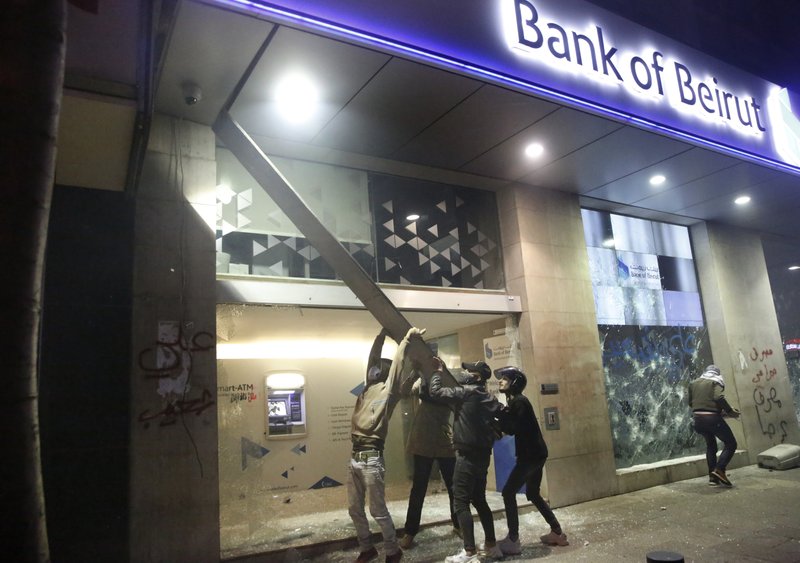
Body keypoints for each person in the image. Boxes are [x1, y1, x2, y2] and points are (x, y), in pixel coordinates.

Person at [348, 326, 425, 563]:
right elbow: (372, 358)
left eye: (377, 367)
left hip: (371, 457)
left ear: (381, 372)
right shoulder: (366, 389)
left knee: (377, 510)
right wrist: (380, 337)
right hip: (355, 456)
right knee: (354, 509)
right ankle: (367, 548)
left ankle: (392, 551)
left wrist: (405, 340)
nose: (372, 368)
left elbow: (397, 368)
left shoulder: (388, 391)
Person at [427, 358, 504, 563]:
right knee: (479, 499)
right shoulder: (486, 397)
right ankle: (491, 545)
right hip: (482, 455)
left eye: (468, 371)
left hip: (467, 455)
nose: (464, 374)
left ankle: (469, 552)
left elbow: (435, 393)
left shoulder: (466, 392)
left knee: (460, 501)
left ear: (475, 376)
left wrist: (437, 373)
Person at [493, 366, 567, 555]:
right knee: (533, 494)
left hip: (530, 456)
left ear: (515, 382)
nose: (500, 381)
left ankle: (513, 539)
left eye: (505, 378)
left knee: (508, 492)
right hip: (536, 454)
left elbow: (512, 428)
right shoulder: (516, 401)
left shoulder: (519, 401)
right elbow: (511, 425)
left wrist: (498, 412)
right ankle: (557, 532)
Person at [398, 362, 460, 550]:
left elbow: (442, 396)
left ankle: (458, 524)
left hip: (443, 439)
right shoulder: (423, 382)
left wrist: (436, 375)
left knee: (453, 486)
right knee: (419, 487)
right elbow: (404, 391)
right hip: (423, 438)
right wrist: (415, 374)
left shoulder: (448, 385)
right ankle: (410, 531)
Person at [688, 364, 740, 487]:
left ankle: (713, 478)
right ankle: (720, 469)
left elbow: (690, 402)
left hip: (698, 420)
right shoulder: (715, 381)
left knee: (711, 446)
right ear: (717, 373)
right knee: (731, 443)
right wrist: (729, 411)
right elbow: (718, 397)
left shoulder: (693, 383)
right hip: (712, 419)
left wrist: (708, 409)